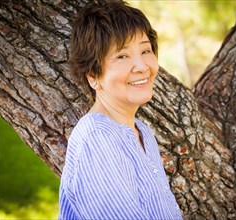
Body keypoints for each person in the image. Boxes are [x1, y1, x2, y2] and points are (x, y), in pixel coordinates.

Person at [58, 0, 183, 219]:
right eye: (122, 56)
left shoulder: (142, 132)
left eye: (145, 50)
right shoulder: (97, 139)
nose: (142, 66)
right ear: (93, 76)